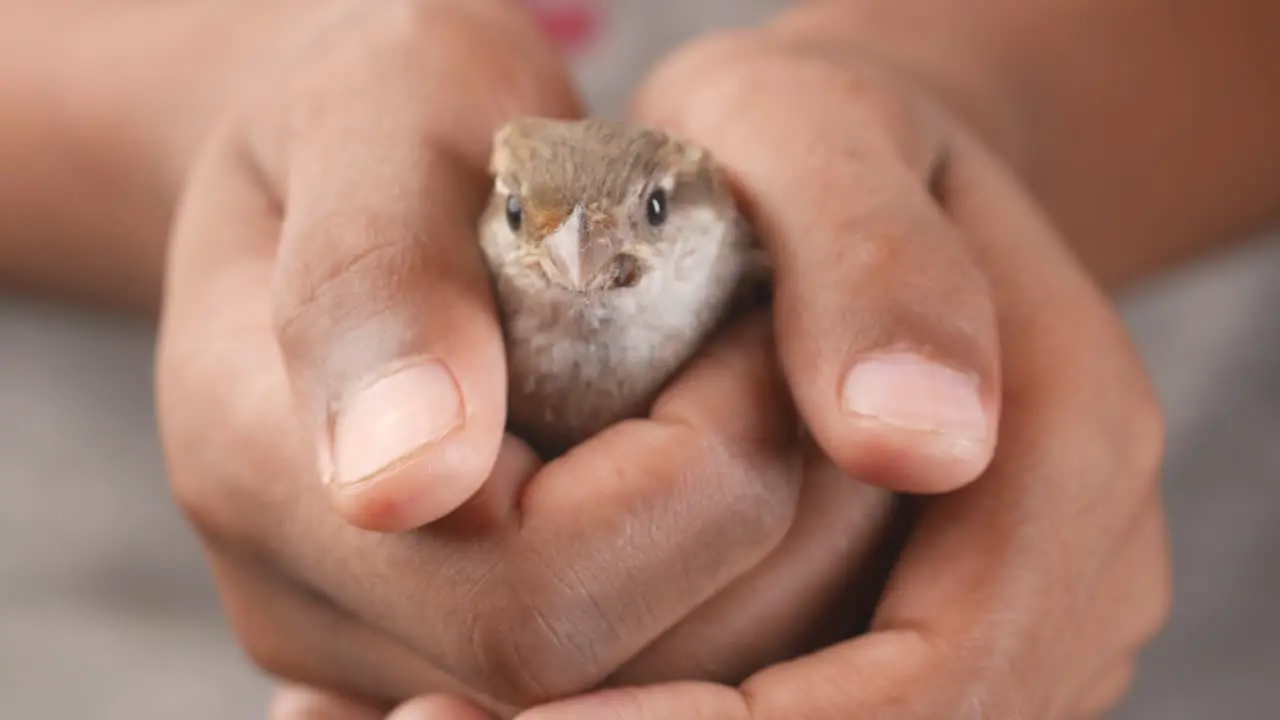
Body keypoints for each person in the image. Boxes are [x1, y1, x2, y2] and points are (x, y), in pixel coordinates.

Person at [2, 0, 1277, 717]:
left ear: (698, 212)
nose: (572, 261)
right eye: (528, 228)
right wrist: (229, 121)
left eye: (639, 224)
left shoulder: (736, 257)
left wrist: (970, 141)